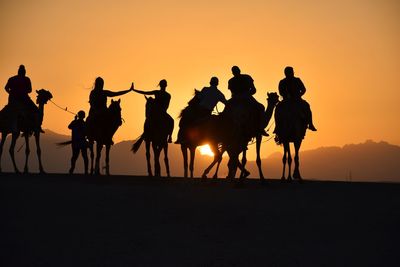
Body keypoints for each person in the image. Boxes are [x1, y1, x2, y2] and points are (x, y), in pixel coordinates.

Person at [226, 66, 268, 136]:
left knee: (260, 107)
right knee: (260, 107)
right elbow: (254, 90)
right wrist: (246, 94)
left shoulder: (232, 80)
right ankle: (260, 128)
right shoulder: (246, 78)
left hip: (237, 98)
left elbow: (232, 93)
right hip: (244, 97)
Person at [278, 66, 317, 131]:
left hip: (297, 99)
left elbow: (304, 89)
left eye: (292, 72)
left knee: (306, 106)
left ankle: (310, 124)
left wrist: (299, 95)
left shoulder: (297, 80)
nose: (292, 73)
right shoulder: (282, 82)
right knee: (278, 108)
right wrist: (286, 96)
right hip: (286, 100)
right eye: (290, 72)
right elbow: (280, 91)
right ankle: (277, 127)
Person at [4, 65, 40, 131]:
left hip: (12, 100)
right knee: (36, 111)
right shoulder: (27, 79)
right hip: (24, 99)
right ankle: (36, 127)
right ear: (24, 72)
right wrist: (23, 91)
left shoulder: (12, 79)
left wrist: (11, 93)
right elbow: (30, 90)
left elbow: (6, 88)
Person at [68, 110, 88, 174]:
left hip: (75, 142)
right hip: (81, 142)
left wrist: (75, 120)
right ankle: (86, 171)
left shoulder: (75, 122)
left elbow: (69, 127)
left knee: (74, 156)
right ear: (84, 116)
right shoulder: (84, 124)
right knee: (84, 156)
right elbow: (86, 133)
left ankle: (72, 168)